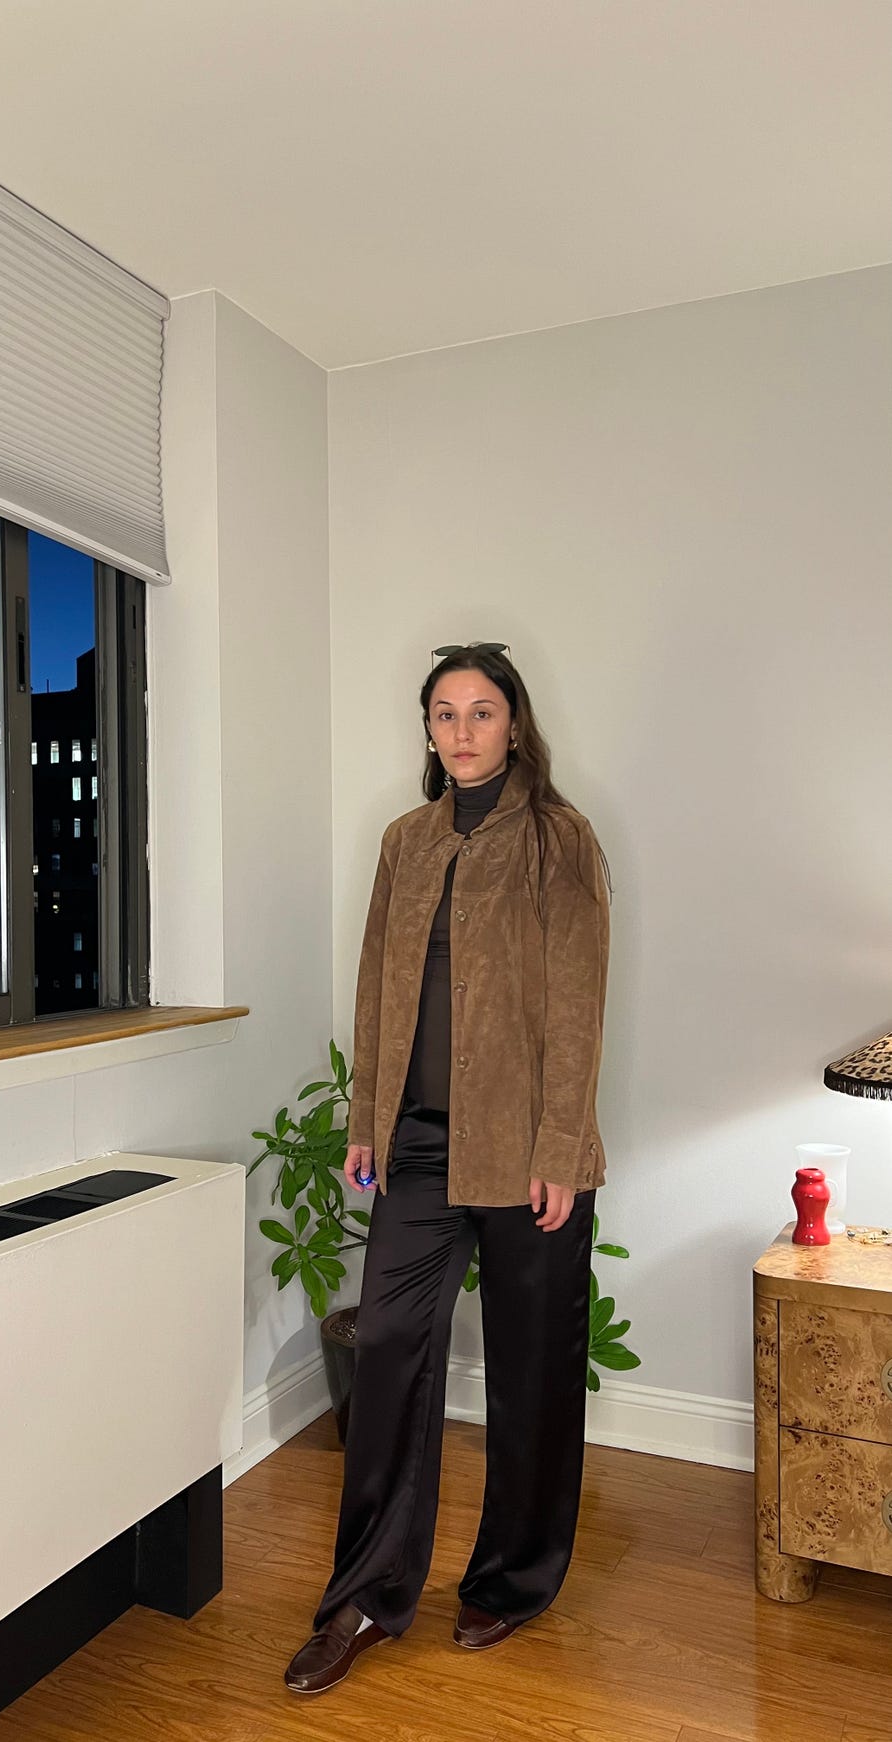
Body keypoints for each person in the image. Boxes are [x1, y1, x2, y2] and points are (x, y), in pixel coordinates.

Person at [284, 643, 611, 1696]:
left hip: (528, 1153)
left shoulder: (560, 839)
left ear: (515, 723)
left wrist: (560, 1146)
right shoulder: (405, 842)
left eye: (481, 710)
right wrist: (365, 1120)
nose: (461, 730)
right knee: (386, 1349)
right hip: (419, 1142)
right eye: (443, 712)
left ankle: (510, 1581)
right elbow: (379, 987)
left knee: (531, 1369)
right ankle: (365, 1597)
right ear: (425, 729)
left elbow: (574, 1003)